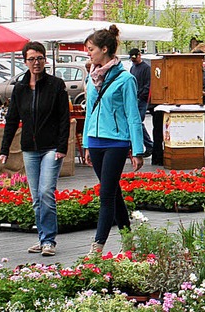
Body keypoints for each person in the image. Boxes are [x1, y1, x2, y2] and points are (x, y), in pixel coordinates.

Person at [0, 41, 70, 257]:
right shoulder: (20, 88)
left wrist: (62, 146)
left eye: (39, 58)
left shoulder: (56, 85)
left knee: (46, 191)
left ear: (45, 60)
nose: (36, 63)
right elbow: (12, 120)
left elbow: (64, 118)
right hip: (29, 148)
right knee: (36, 196)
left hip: (51, 148)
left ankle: (49, 240)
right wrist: (4, 149)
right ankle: (42, 238)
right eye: (31, 59)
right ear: (25, 61)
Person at [83, 25, 144, 255]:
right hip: (96, 142)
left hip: (116, 143)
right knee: (113, 192)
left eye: (91, 49)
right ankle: (129, 239)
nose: (89, 53)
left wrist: (137, 150)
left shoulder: (125, 79)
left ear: (105, 49)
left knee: (106, 194)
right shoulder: (92, 76)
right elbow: (90, 112)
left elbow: (133, 116)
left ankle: (97, 246)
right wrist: (87, 144)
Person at [129, 48, 153, 158]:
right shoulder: (132, 68)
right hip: (134, 99)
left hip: (141, 100)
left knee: (138, 122)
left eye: (135, 58)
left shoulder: (146, 68)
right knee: (136, 123)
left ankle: (148, 145)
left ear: (140, 55)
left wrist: (140, 96)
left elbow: (148, 85)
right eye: (132, 59)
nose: (134, 60)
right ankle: (146, 145)